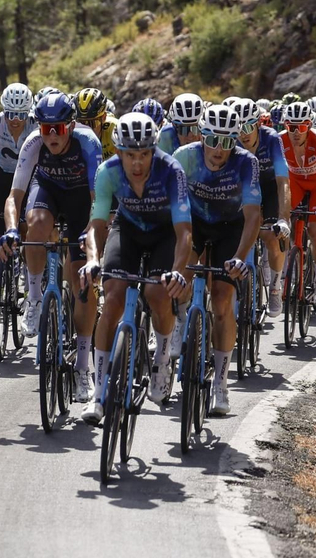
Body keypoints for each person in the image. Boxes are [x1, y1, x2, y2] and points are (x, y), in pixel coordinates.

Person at [80, 112, 192, 422]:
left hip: (163, 233)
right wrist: (93, 260)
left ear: (154, 150)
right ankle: (98, 392)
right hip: (127, 231)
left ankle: (162, 358)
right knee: (113, 297)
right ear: (119, 152)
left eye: (145, 154)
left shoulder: (172, 170)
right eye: (130, 155)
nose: (138, 162)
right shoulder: (107, 171)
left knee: (158, 295)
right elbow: (97, 223)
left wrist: (178, 270)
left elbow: (184, 231)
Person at [0, 89, 101, 404]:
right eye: (45, 128)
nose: (51, 135)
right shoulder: (33, 144)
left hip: (83, 197)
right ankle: (34, 297)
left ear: (70, 125)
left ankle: (83, 369)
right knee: (36, 224)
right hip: (49, 191)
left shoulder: (88, 143)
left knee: (82, 280)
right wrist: (13, 230)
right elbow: (14, 198)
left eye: (57, 128)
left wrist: (90, 235)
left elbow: (99, 202)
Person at [173, 103, 262, 417]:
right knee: (181, 276)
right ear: (201, 135)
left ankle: (221, 382)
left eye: (227, 142)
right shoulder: (184, 158)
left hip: (229, 228)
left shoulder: (245, 163)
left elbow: (253, 217)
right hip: (194, 225)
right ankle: (180, 319)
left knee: (223, 301)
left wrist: (240, 258)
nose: (218, 149)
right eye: (212, 139)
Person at [233, 98, 290, 316]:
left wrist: (283, 218)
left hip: (269, 188)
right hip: (243, 190)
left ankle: (275, 286)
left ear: (258, 124)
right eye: (239, 128)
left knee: (272, 236)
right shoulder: (232, 142)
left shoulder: (272, 139)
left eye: (248, 127)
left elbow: (283, 181)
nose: (243, 133)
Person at [279, 100, 316, 307]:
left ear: (309, 126)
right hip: (294, 182)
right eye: (291, 127)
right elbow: (278, 178)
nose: (296, 132)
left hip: (315, 185)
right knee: (284, 222)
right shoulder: (280, 141)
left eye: (301, 127)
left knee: (315, 231)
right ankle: (286, 269)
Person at [0, 83, 36, 272]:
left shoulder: (35, 124)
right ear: (3, 110)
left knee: (26, 230)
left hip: (28, 176)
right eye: (10, 113)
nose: (15, 119)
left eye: (21, 114)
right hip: (1, 174)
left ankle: (29, 279)